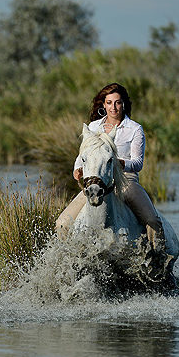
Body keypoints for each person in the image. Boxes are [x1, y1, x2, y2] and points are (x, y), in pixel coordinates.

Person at [57, 82, 165, 251]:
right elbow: (82, 157)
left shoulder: (135, 129)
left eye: (118, 102)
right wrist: (77, 170)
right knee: (62, 223)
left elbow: (138, 163)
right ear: (103, 104)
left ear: (124, 104)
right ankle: (65, 260)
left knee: (152, 220)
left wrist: (121, 163)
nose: (113, 107)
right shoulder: (93, 127)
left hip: (125, 181)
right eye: (109, 103)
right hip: (97, 181)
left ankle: (158, 258)